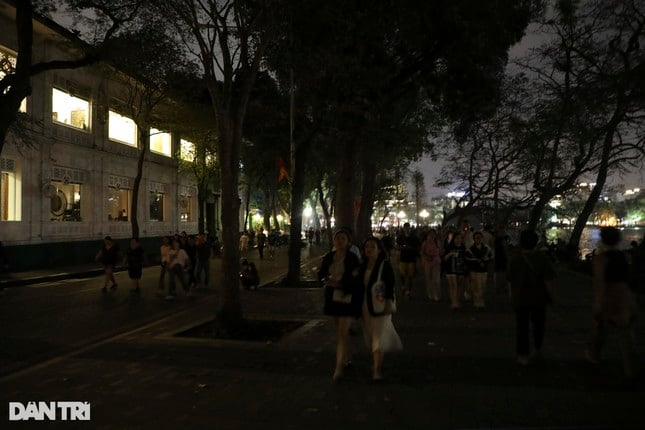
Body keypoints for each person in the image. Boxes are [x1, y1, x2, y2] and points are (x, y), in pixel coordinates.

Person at [586, 227, 638, 379]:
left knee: (602, 327)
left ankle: (594, 355)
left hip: (610, 295)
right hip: (624, 295)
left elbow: (599, 282)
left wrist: (598, 302)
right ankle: (630, 366)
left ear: (602, 240)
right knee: (625, 331)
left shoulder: (601, 259)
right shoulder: (625, 256)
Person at [507, 229, 556, 366]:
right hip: (539, 298)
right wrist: (551, 296)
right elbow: (548, 281)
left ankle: (523, 355)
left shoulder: (515, 259)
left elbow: (510, 280)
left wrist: (511, 296)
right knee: (539, 325)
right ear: (536, 243)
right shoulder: (542, 258)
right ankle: (537, 348)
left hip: (520, 298)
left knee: (522, 327)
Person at [318, 229, 361, 382]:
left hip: (347, 297)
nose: (340, 241)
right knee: (340, 331)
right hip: (332, 297)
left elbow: (356, 279)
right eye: (338, 238)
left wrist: (340, 284)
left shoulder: (352, 258)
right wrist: (325, 280)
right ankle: (348, 356)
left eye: (343, 238)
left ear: (348, 242)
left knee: (342, 333)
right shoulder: (329, 257)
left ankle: (338, 368)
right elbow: (321, 273)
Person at [358, 237, 402, 381]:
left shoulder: (385, 265)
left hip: (381, 305)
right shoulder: (362, 265)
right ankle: (377, 361)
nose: (369, 250)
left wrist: (389, 302)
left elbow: (390, 285)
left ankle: (376, 370)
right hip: (365, 306)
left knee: (378, 336)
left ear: (379, 249)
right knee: (369, 336)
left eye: (372, 247)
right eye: (367, 247)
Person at [466, 231, 494, 309]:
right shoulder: (471, 249)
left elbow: (491, 257)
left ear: (482, 238)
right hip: (474, 270)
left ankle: (480, 300)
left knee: (483, 286)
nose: (478, 239)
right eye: (476, 238)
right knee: (476, 286)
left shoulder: (486, 248)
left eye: (479, 237)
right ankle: (477, 302)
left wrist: (485, 260)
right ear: (474, 239)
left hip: (483, 270)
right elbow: (468, 259)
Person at [443, 233, 468, 310]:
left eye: (460, 238)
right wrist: (450, 254)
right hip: (450, 269)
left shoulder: (463, 248)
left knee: (459, 286)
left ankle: (457, 300)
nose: (458, 240)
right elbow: (444, 258)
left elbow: (466, 259)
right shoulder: (449, 247)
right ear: (454, 239)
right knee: (453, 286)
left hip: (460, 269)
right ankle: (454, 302)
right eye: (456, 238)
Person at [397, 222, 420, 298]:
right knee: (402, 274)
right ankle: (403, 286)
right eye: (405, 227)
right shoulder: (400, 237)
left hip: (411, 258)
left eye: (408, 227)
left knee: (410, 276)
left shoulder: (414, 238)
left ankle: (408, 291)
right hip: (403, 258)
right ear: (403, 228)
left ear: (410, 228)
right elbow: (397, 246)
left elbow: (417, 247)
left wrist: (410, 248)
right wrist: (401, 248)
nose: (406, 229)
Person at [420, 229, 442, 301]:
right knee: (428, 279)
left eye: (433, 234)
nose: (432, 235)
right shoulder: (425, 243)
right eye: (430, 234)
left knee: (436, 279)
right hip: (427, 262)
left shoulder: (437, 242)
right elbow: (422, 252)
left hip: (436, 262)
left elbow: (441, 251)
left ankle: (436, 294)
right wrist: (426, 257)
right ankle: (430, 294)